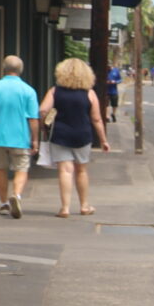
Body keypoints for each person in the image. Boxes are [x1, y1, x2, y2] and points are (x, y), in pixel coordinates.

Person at [39, 57, 109, 216]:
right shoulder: (89, 94)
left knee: (65, 170)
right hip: (82, 135)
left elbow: (42, 110)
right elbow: (97, 119)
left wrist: (44, 125)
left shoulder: (55, 91)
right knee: (81, 170)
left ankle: (65, 208)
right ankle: (84, 206)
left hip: (60, 134)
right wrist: (103, 140)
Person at [0, 54, 41, 218]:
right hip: (20, 137)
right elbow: (33, 119)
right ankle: (16, 195)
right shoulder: (28, 91)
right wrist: (35, 140)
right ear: (21, 70)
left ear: (4, 68)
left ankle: (3, 202)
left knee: (0, 169)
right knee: (21, 169)